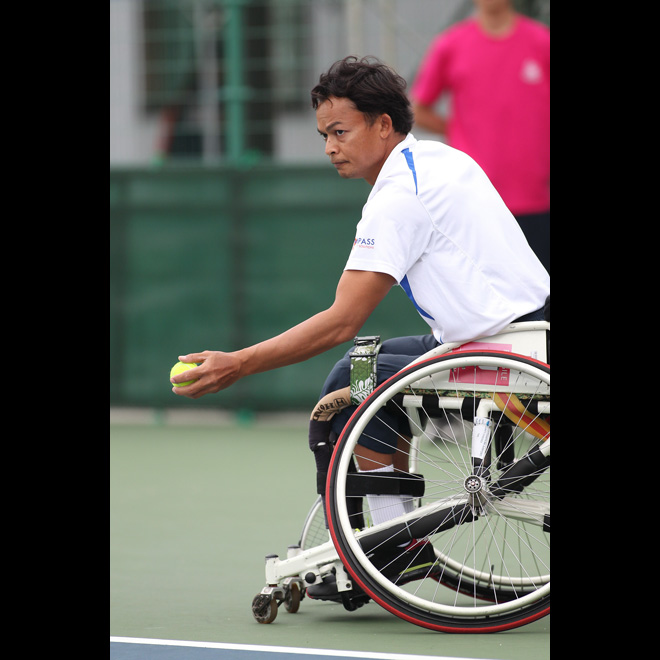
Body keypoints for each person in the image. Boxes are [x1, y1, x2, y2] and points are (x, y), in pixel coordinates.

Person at [171, 55, 549, 602]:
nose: (329, 147)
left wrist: (241, 361)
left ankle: (383, 550)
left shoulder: (399, 197)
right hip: (522, 337)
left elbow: (341, 320)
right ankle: (385, 540)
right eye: (324, 134)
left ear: (383, 125)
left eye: (340, 132)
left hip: (499, 356)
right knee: (365, 363)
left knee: (351, 383)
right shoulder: (439, 159)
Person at [410, 0, 550, 273]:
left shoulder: (541, 42)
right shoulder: (450, 44)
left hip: (536, 200)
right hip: (473, 203)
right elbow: (419, 109)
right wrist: (461, 130)